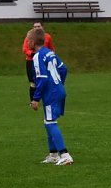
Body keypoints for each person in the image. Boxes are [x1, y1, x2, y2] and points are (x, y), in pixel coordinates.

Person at [28, 27, 73, 166]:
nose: (27, 42)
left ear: (33, 42)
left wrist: (35, 99)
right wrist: (59, 84)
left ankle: (65, 155)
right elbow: (63, 69)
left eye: (28, 40)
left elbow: (42, 79)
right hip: (58, 89)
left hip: (51, 92)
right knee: (48, 121)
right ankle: (53, 154)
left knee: (50, 122)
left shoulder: (37, 56)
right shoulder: (50, 53)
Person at [23, 22, 54, 101]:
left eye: (38, 26)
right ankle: (33, 101)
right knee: (33, 82)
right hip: (31, 61)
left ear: (42, 27)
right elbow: (25, 49)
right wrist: (32, 54)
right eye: (35, 27)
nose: (37, 28)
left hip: (43, 60)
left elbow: (51, 49)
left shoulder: (47, 37)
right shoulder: (29, 37)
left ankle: (47, 98)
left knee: (46, 79)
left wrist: (50, 56)